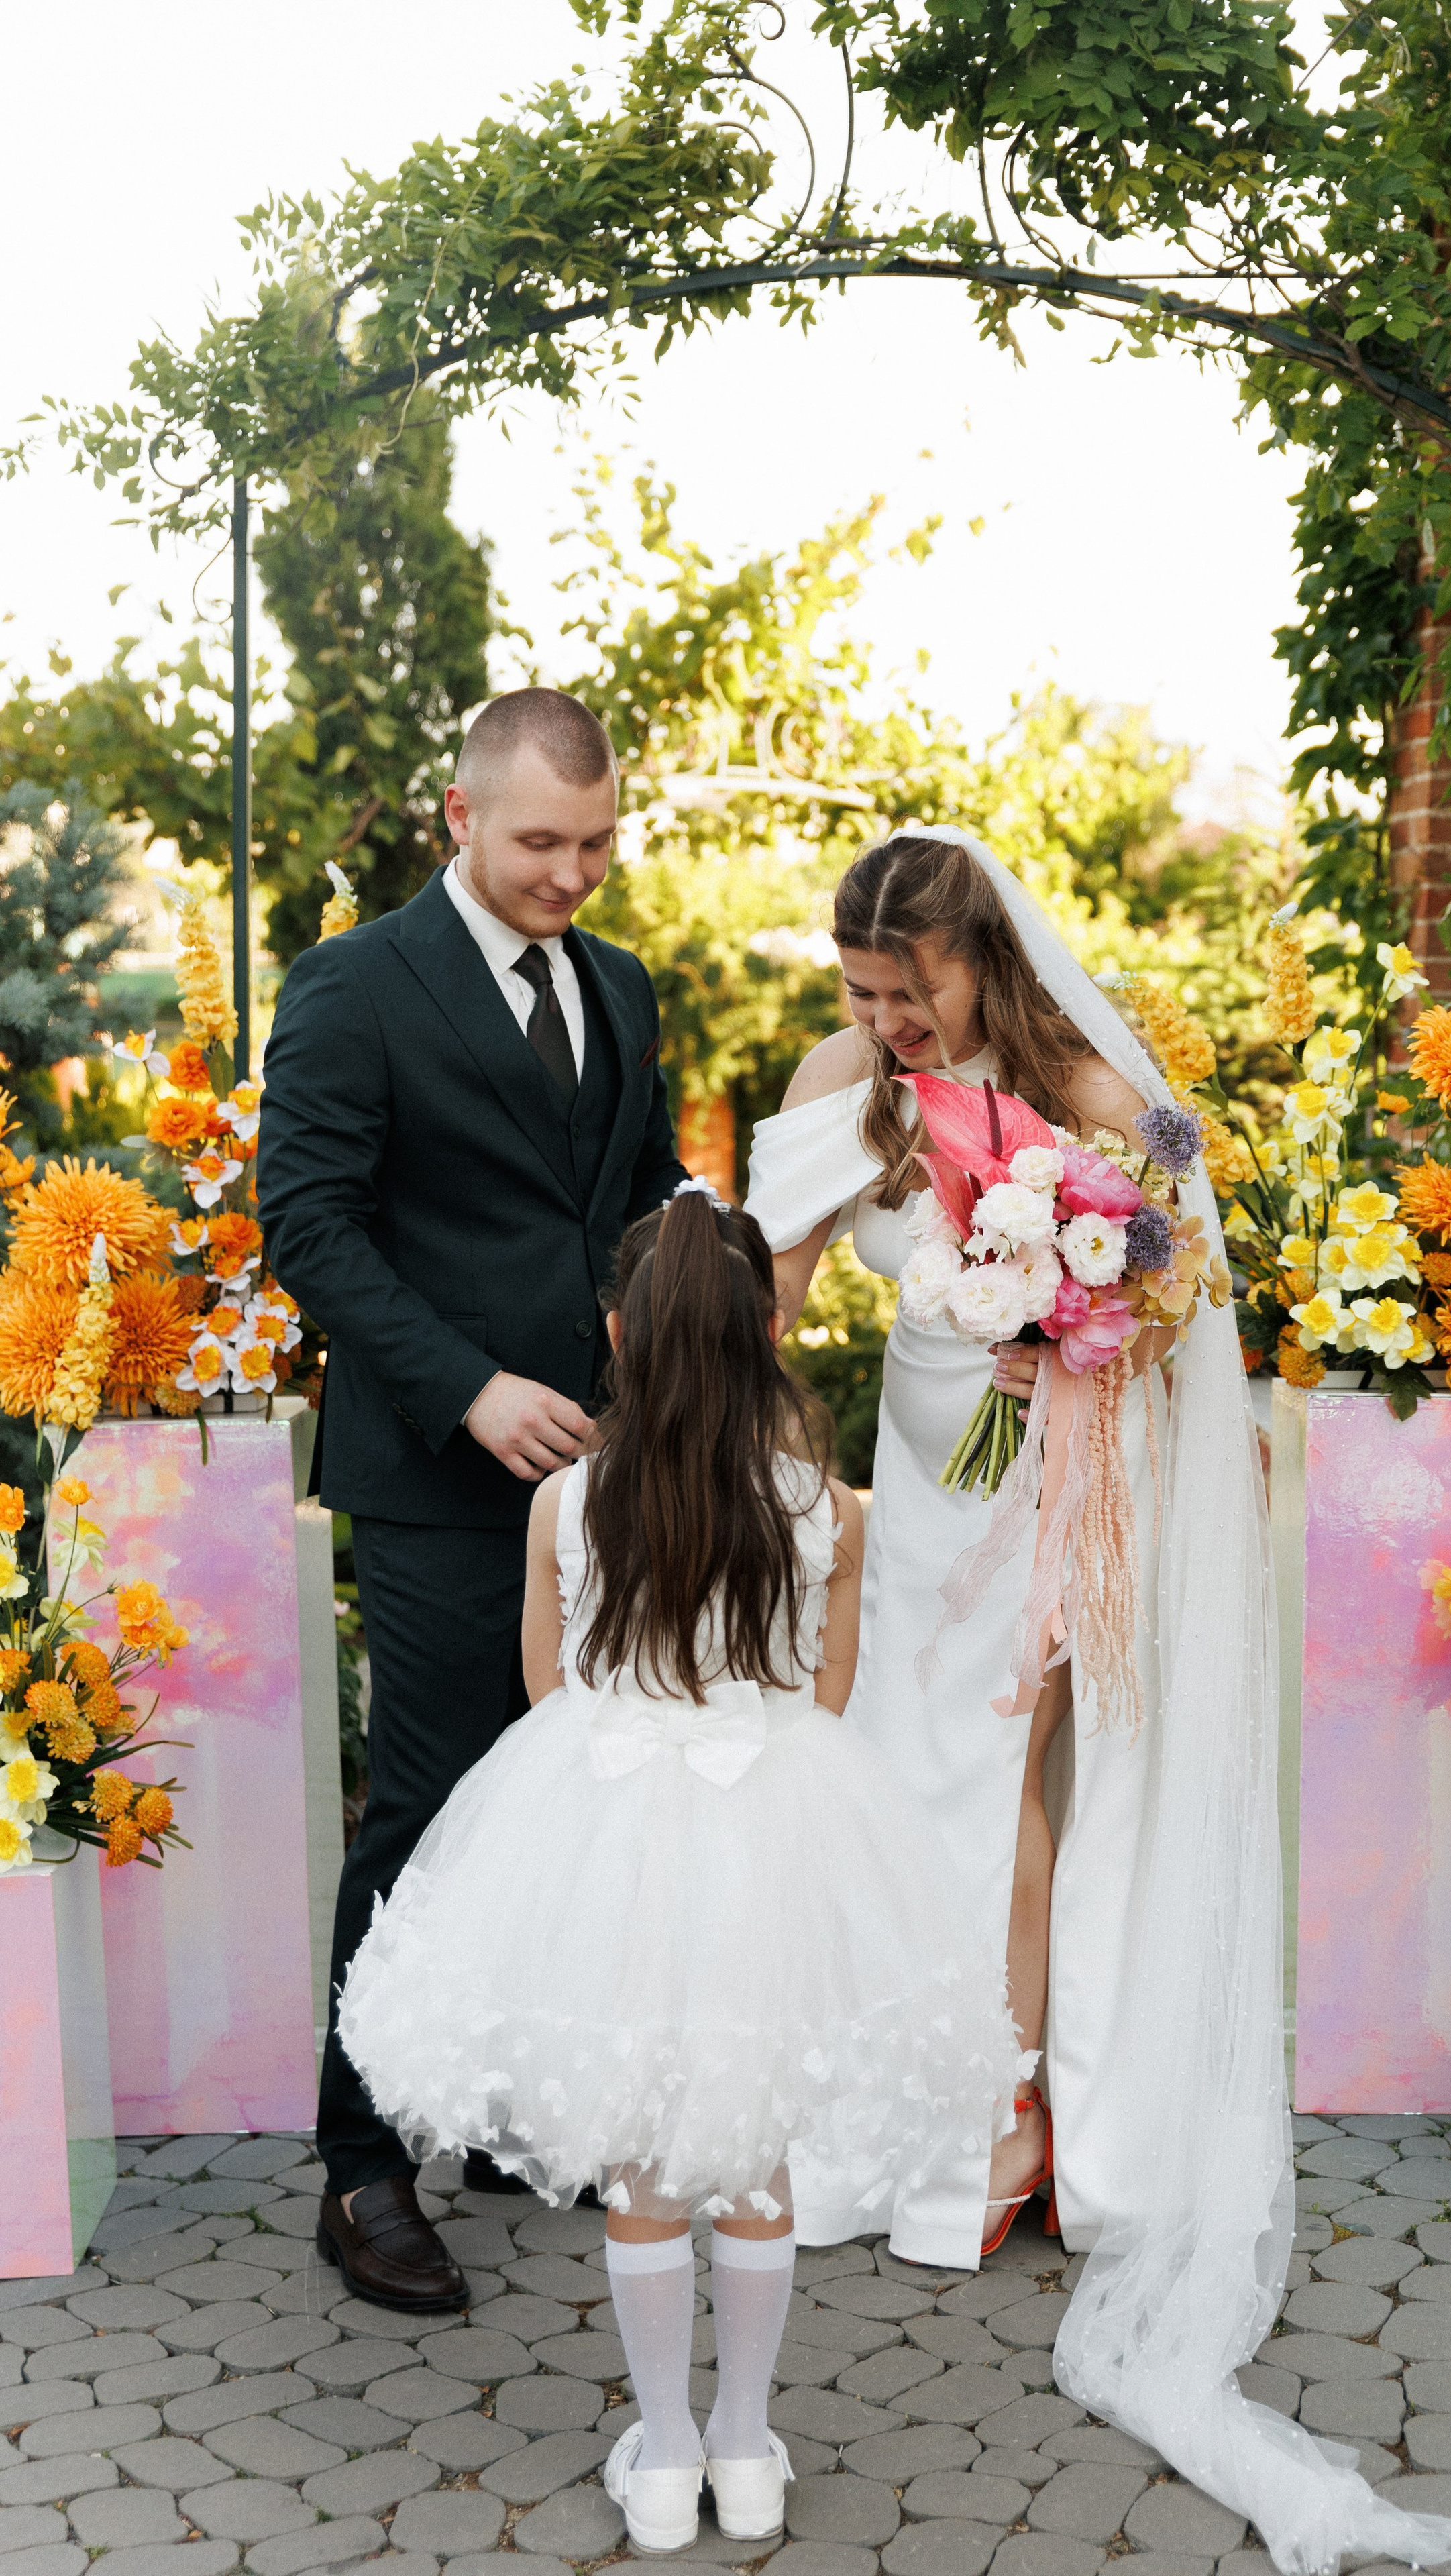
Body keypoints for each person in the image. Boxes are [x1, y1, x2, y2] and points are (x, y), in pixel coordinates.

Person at [745, 829, 1451, 2576]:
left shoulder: (1084, 1076)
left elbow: (1172, 1295)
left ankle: (1093, 2126)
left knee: (1092, 1786)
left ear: (979, 965)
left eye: (907, 996)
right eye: (859, 995)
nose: (885, 1026)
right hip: (925, 1499)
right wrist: (768, 1462)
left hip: (1081, 1473)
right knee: (933, 1782)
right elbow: (767, 1282)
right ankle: (952, 2134)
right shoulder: (846, 1077)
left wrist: (1075, 1324)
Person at [337, 1186, 1024, 2555]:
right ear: (765, 1331)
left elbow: (546, 1690)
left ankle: (658, 2458)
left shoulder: (564, 1503)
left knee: (647, 2159)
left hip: (600, 1822)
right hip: (772, 1816)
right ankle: (746, 2445)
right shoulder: (823, 1508)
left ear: (616, 1331)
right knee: (754, 2149)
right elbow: (822, 1692)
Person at [258, 686, 686, 2314]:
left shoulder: (626, 990)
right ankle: (361, 2166)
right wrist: (465, 1386)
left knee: (562, 1795)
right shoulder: (353, 985)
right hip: (442, 1475)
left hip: (606, 1473)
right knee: (427, 1808)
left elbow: (635, 1196)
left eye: (596, 843)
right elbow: (309, 1224)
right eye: (539, 843)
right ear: (458, 814)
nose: (573, 875)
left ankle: (506, 2114)